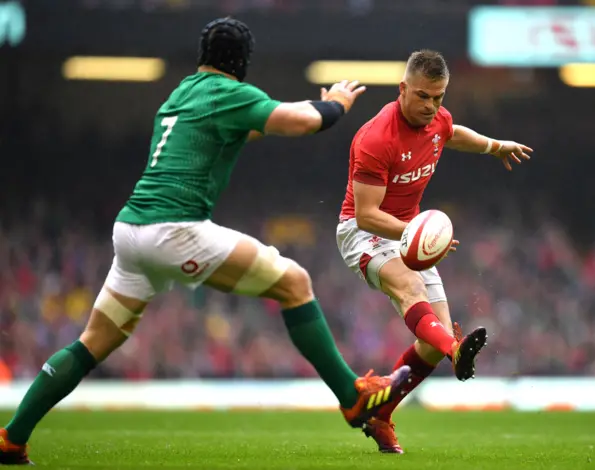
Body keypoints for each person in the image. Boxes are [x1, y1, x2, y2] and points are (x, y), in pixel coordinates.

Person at [0, 18, 412, 465]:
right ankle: (352, 397)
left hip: (131, 233)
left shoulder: (180, 94)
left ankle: (12, 437)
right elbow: (303, 122)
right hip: (176, 230)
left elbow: (235, 131)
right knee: (294, 282)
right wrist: (333, 103)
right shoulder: (229, 93)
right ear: (242, 63)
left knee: (91, 343)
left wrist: (273, 119)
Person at [336, 49, 533, 454]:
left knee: (431, 342)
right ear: (403, 89)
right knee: (412, 291)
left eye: (439, 97)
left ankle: (380, 415)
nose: (432, 106)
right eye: (423, 96)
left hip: (409, 230)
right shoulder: (375, 138)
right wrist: (416, 231)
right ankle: (456, 349)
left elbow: (452, 133)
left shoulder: (438, 119)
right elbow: (369, 215)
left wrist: (495, 146)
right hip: (364, 232)